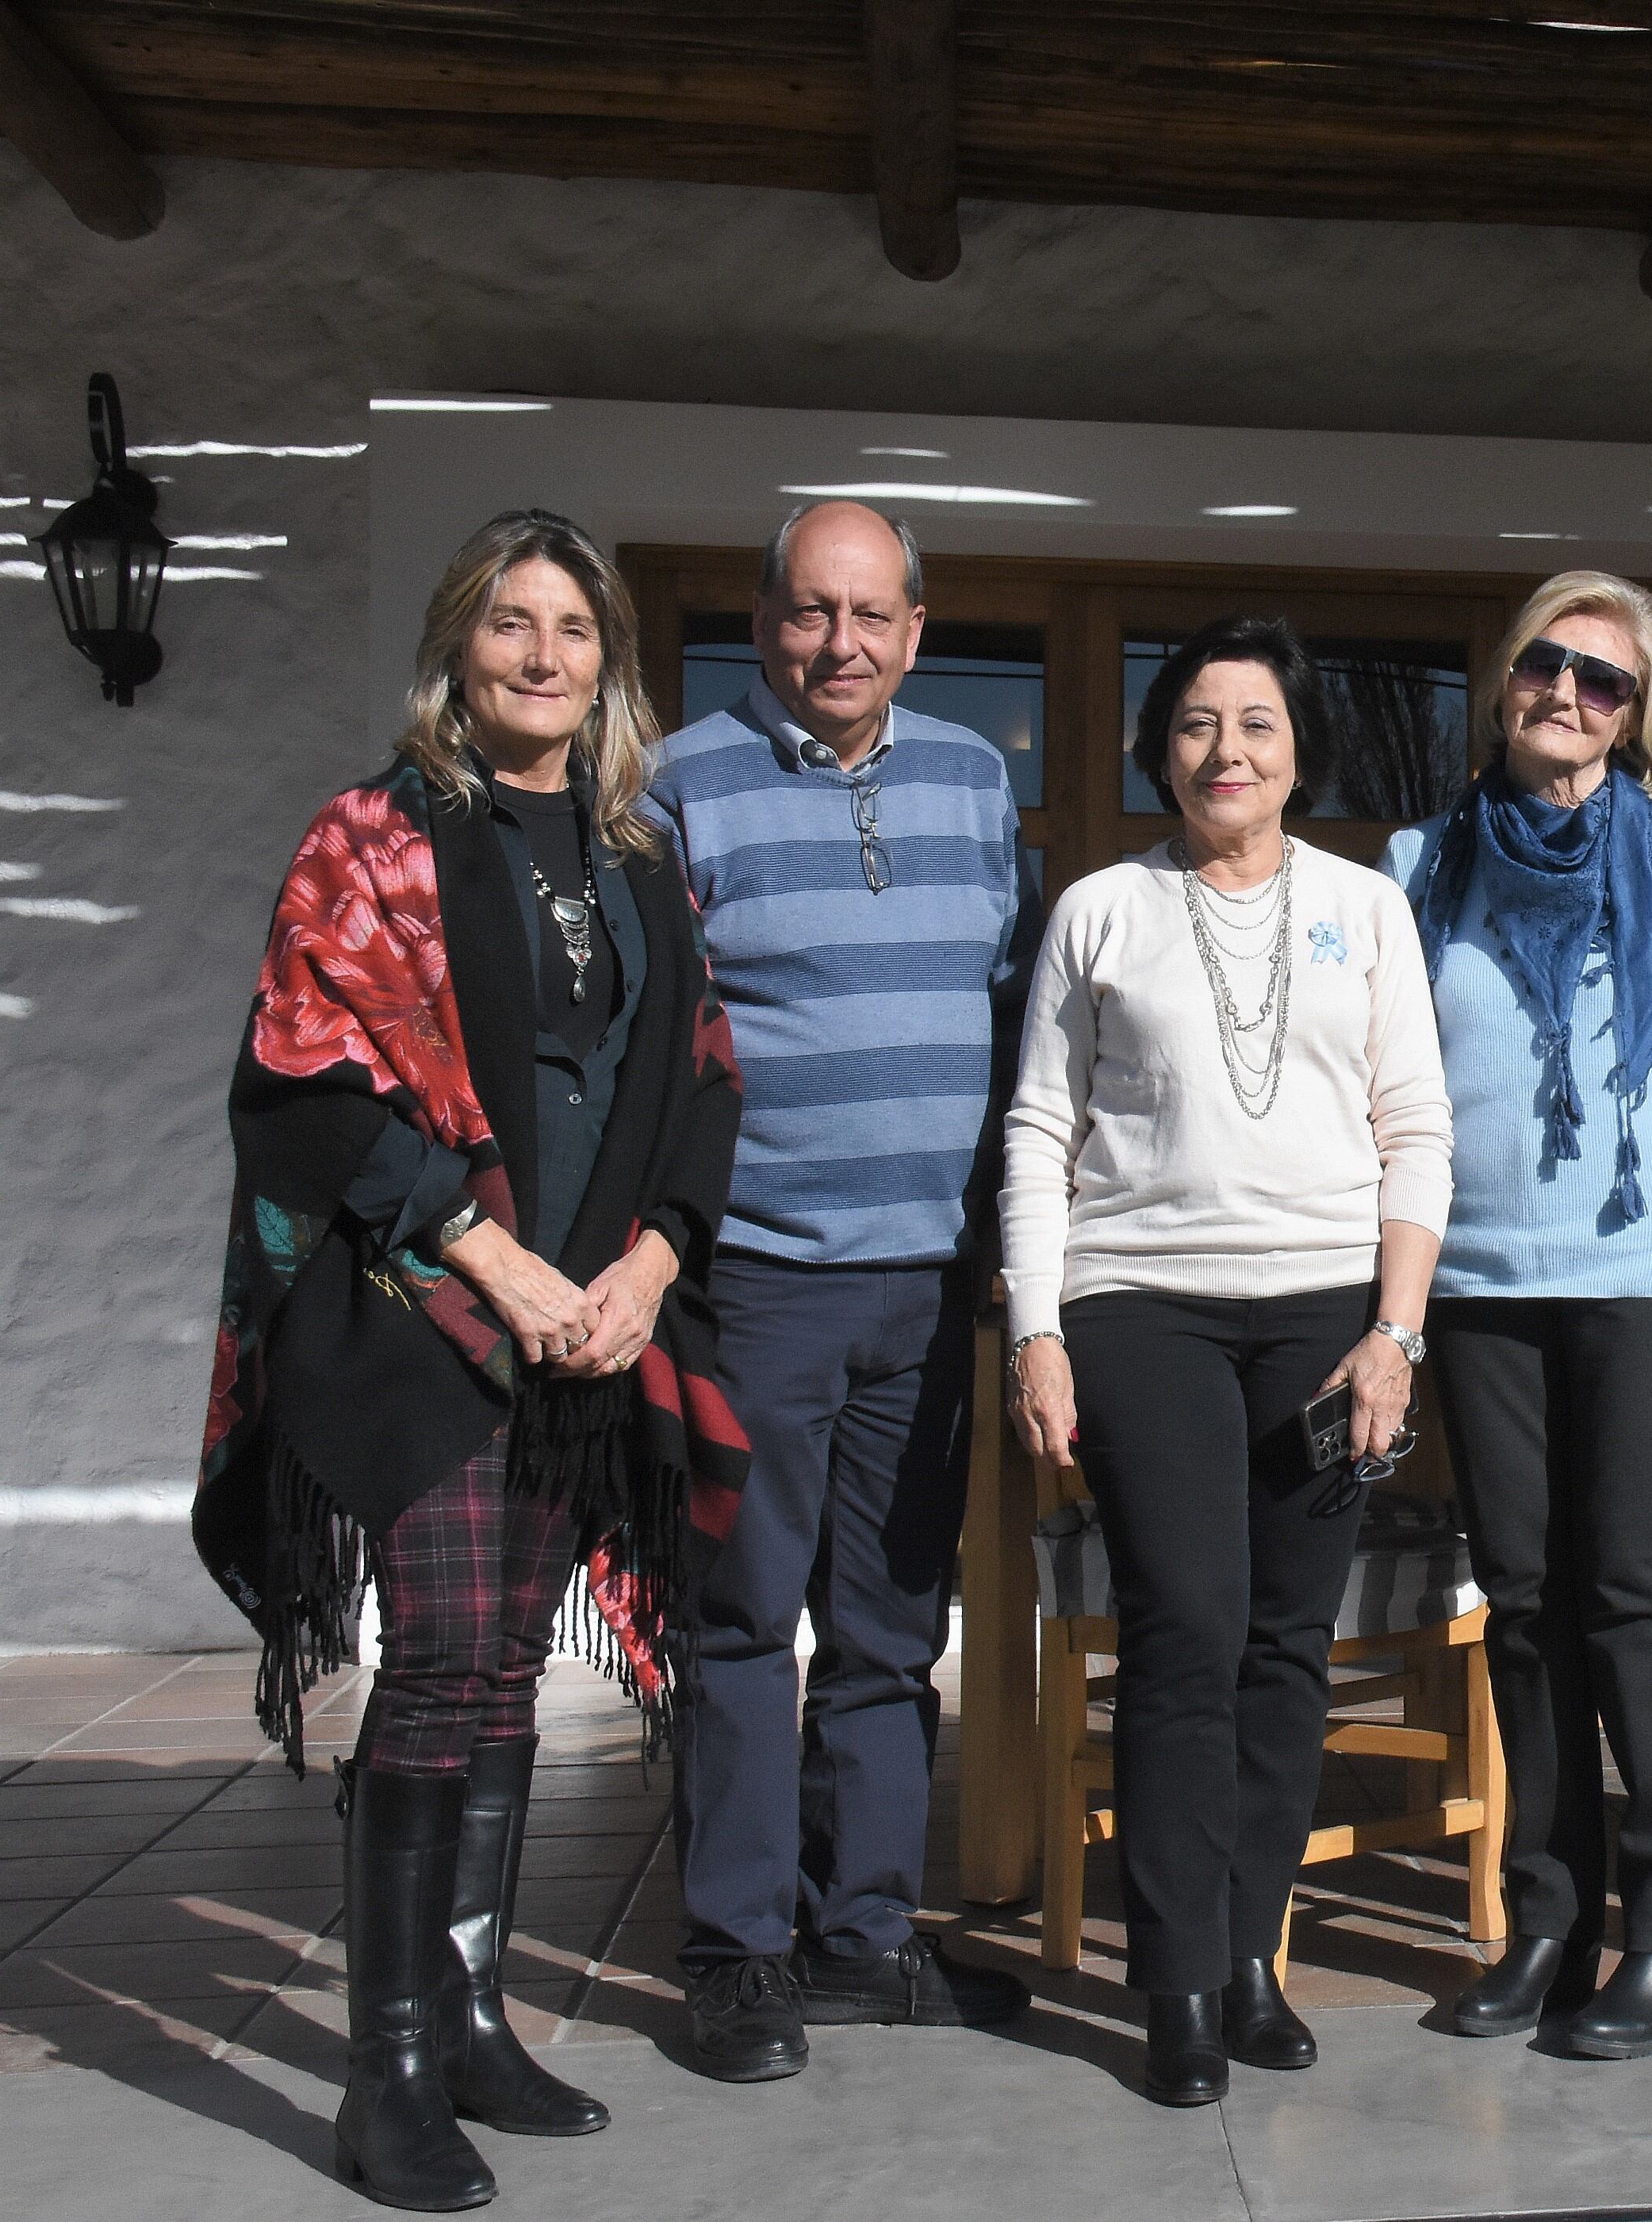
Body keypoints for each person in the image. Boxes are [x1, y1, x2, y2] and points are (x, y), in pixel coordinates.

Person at [194, 510, 746, 2209]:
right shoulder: (374, 837)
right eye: (510, 621)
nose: (541, 653)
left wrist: (650, 1266)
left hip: (589, 1329)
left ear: (609, 664)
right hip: (424, 1320)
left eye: (572, 629)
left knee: (504, 1668)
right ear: (460, 644)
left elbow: (701, 1077)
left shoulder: (638, 850)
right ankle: (389, 2078)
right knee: (439, 1669)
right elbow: (306, 1082)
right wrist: (493, 1257)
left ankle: (475, 2014)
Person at [1001, 615, 1451, 2106]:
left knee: (1285, 1644)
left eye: (1255, 723)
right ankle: (1177, 1979)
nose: (1226, 751)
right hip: (1144, 1306)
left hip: (1328, 1317)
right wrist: (1037, 1327)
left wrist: (1395, 1331)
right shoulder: (1098, 911)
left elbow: (1414, 1129)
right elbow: (1037, 1132)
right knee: (1186, 1634)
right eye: (1196, 724)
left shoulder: (1367, 906)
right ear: (1158, 748)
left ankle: (1254, 1952)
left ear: (1298, 749)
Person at [643, 500, 1036, 2082]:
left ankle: (863, 1935)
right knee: (742, 1622)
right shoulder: (679, 784)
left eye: (871, 616)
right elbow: (663, 1030)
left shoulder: (971, 775)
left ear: (916, 632)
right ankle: (736, 1952)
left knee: (887, 1629)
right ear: (763, 620)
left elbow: (1007, 1013)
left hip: (927, 1285)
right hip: (758, 1279)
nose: (840, 645)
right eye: (812, 612)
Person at [1381, 571, 1652, 2061]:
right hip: (1484, 1275)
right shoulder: (1421, 859)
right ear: (1505, 684)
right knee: (1526, 1605)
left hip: (1650, 1266)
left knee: (1630, 1593)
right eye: (1543, 666)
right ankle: (1549, 1914)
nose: (1565, 692)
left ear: (1638, 713)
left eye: (1601, 679)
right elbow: (1400, 1081)